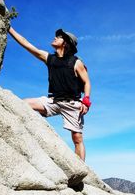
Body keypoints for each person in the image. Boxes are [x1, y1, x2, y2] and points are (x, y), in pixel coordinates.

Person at [8, 26, 91, 162]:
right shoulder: (49, 58)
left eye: (59, 37)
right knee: (23, 104)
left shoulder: (76, 62)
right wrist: (9, 28)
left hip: (72, 103)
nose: (55, 37)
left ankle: (81, 171)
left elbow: (87, 82)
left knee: (77, 138)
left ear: (66, 43)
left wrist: (86, 101)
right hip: (53, 101)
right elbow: (26, 44)